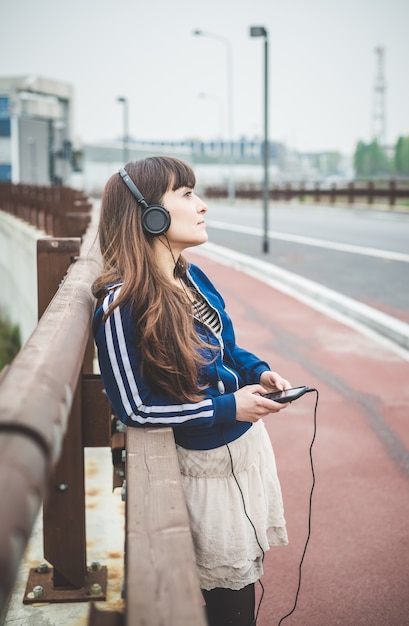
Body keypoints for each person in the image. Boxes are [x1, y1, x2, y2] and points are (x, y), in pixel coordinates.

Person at [92, 156, 290, 626]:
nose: (201, 206)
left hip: (243, 454)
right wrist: (228, 406)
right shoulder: (120, 304)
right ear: (149, 214)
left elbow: (227, 346)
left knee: (241, 593)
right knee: (227, 608)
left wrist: (258, 373)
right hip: (202, 475)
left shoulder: (190, 276)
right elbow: (135, 407)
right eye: (185, 195)